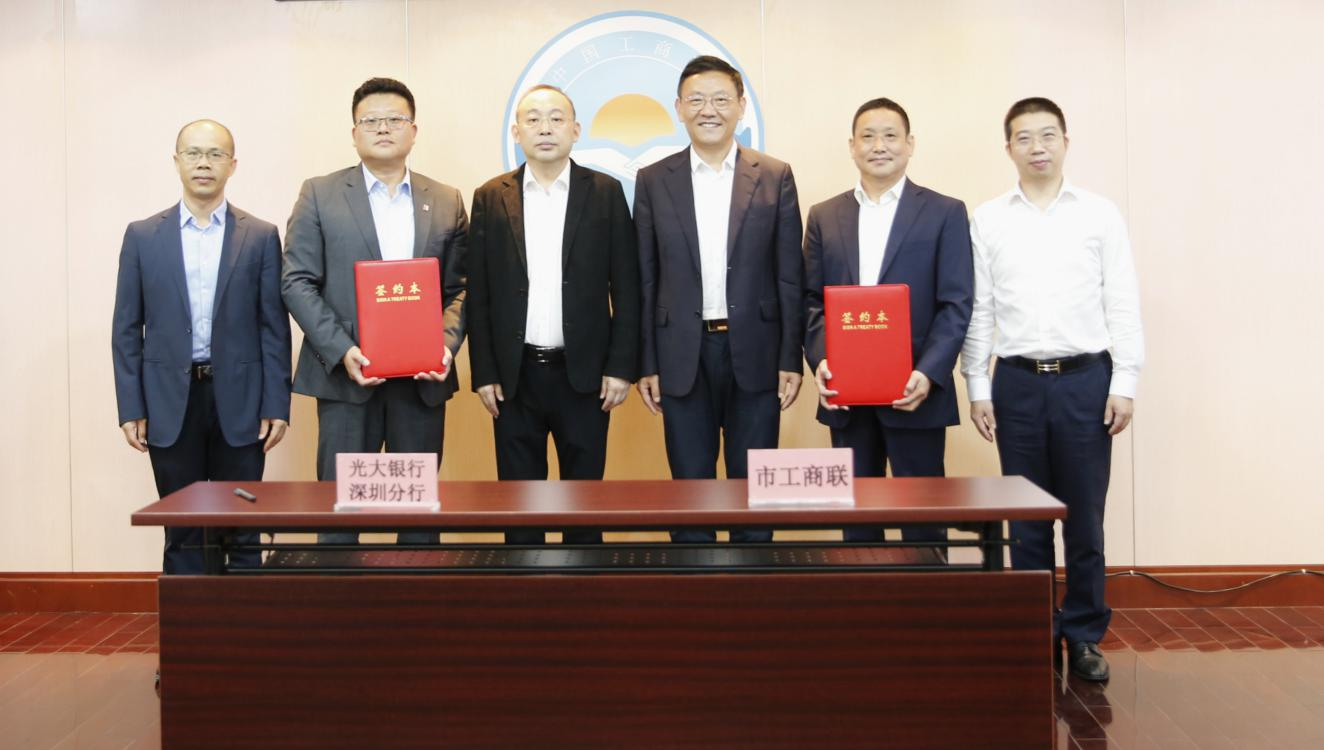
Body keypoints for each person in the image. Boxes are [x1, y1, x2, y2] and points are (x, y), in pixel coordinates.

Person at [960, 97, 1144, 682]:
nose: (1037, 147)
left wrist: (1124, 382)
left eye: (1047, 135)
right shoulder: (988, 219)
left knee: (1084, 519)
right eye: (1024, 137)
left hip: (1086, 381)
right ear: (1008, 147)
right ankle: (1036, 630)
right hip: (1015, 383)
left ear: (1066, 141)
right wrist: (977, 384)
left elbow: (1121, 301)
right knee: (1026, 521)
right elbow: (981, 309)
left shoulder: (1099, 215)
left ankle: (1084, 634)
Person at [282, 77, 467, 545]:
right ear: (354, 133)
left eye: (395, 119)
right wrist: (341, 349)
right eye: (371, 120)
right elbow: (296, 280)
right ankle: (341, 594)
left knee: (417, 518)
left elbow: (461, 289)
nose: (383, 128)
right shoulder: (320, 193)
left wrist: (445, 346)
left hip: (420, 387)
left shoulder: (446, 199)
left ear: (414, 130)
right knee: (342, 518)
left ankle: (415, 593)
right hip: (348, 382)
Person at [635, 55, 804, 544]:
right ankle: (695, 586)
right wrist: (648, 362)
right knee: (691, 490)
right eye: (696, 100)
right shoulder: (653, 179)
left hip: (757, 349)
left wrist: (790, 357)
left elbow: (789, 275)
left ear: (741, 106)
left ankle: (752, 586)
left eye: (720, 99)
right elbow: (645, 278)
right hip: (680, 352)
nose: (708, 110)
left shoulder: (774, 175)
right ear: (679, 108)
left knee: (754, 490)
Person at [112, 119, 291, 574]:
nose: (204, 163)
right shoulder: (142, 236)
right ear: (176, 162)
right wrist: (131, 406)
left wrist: (277, 404)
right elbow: (127, 328)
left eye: (215, 154)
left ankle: (242, 619)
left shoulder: (260, 235)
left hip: (242, 400)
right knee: (183, 529)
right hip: (170, 401)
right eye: (193, 153)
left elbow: (274, 327)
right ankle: (191, 620)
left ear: (233, 165)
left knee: (243, 524)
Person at [467, 85, 639, 545]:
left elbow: (627, 287)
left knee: (583, 507)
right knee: (520, 509)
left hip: (585, 376)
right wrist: (485, 372)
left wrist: (621, 367)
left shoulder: (605, 193)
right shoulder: (490, 196)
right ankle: (523, 588)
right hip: (514, 376)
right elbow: (479, 292)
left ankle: (584, 589)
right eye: (534, 119)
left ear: (576, 130)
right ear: (516, 131)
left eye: (556, 118)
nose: (545, 128)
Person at [804, 97, 973, 545]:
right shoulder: (824, 215)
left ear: (910, 144)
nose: (879, 146)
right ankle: (864, 593)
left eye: (890, 136)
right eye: (868, 136)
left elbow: (957, 303)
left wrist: (928, 372)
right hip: (846, 395)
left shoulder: (945, 212)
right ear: (852, 146)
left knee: (923, 521)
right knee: (857, 521)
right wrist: (822, 361)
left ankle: (925, 593)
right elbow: (810, 301)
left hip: (915, 392)